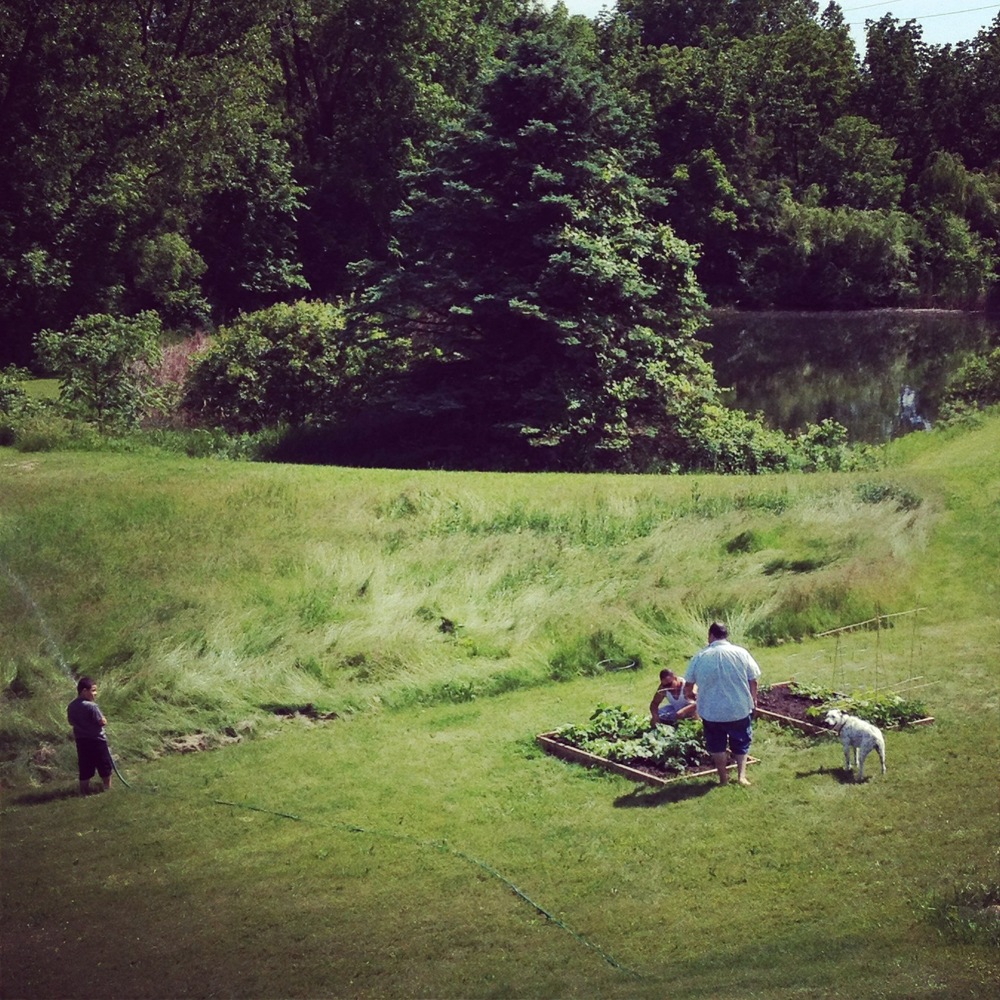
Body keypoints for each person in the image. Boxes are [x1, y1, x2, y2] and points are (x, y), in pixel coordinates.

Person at [683, 622, 761, 787]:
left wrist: (692, 696)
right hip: (738, 707)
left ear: (710, 636)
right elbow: (753, 679)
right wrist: (753, 699)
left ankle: (723, 778)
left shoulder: (700, 656)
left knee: (716, 744)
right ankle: (741, 776)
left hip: (712, 711)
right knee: (741, 741)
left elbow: (688, 686)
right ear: (726, 635)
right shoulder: (741, 653)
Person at [67, 676, 113, 795]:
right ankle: (107, 789)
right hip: (97, 740)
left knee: (85, 767)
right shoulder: (92, 706)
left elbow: (70, 722)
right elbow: (101, 722)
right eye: (93, 690)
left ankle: (84, 791)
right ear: (84, 691)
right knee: (104, 765)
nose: (95, 693)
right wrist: (104, 720)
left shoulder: (71, 706)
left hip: (81, 741)